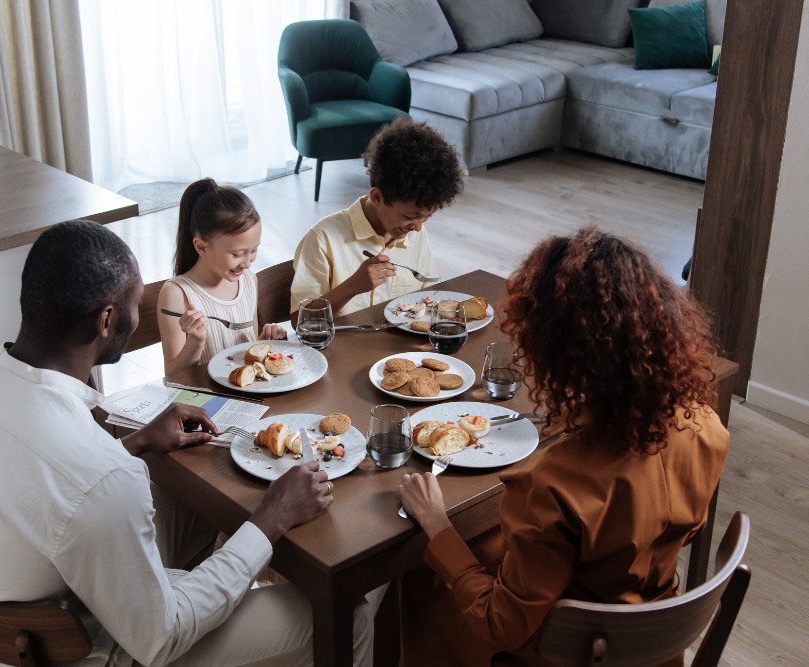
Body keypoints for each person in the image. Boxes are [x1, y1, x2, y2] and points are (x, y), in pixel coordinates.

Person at [0, 221, 384, 667]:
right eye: (134, 300)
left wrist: (137, 442)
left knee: (197, 503)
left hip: (9, 628)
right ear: (107, 320)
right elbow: (162, 639)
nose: (136, 311)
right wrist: (272, 518)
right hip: (102, 650)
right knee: (350, 617)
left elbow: (45, 484)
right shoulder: (100, 479)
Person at [397, 227, 729, 667]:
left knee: (418, 576)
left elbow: (502, 623)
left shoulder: (554, 482)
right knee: (489, 541)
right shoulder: (706, 427)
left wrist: (436, 522)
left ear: (556, 352)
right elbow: (682, 530)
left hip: (570, 652)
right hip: (652, 638)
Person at [289, 117, 464, 323]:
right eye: (410, 217)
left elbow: (428, 298)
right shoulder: (323, 239)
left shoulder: (417, 235)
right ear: (377, 198)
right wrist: (351, 287)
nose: (418, 228)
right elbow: (299, 320)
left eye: (427, 217)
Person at [158, 179, 288, 374]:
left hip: (247, 389)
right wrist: (196, 341)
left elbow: (248, 350)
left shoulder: (249, 280)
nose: (247, 263)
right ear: (201, 247)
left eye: (254, 250)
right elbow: (172, 376)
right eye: (237, 254)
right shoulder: (176, 294)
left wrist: (266, 342)